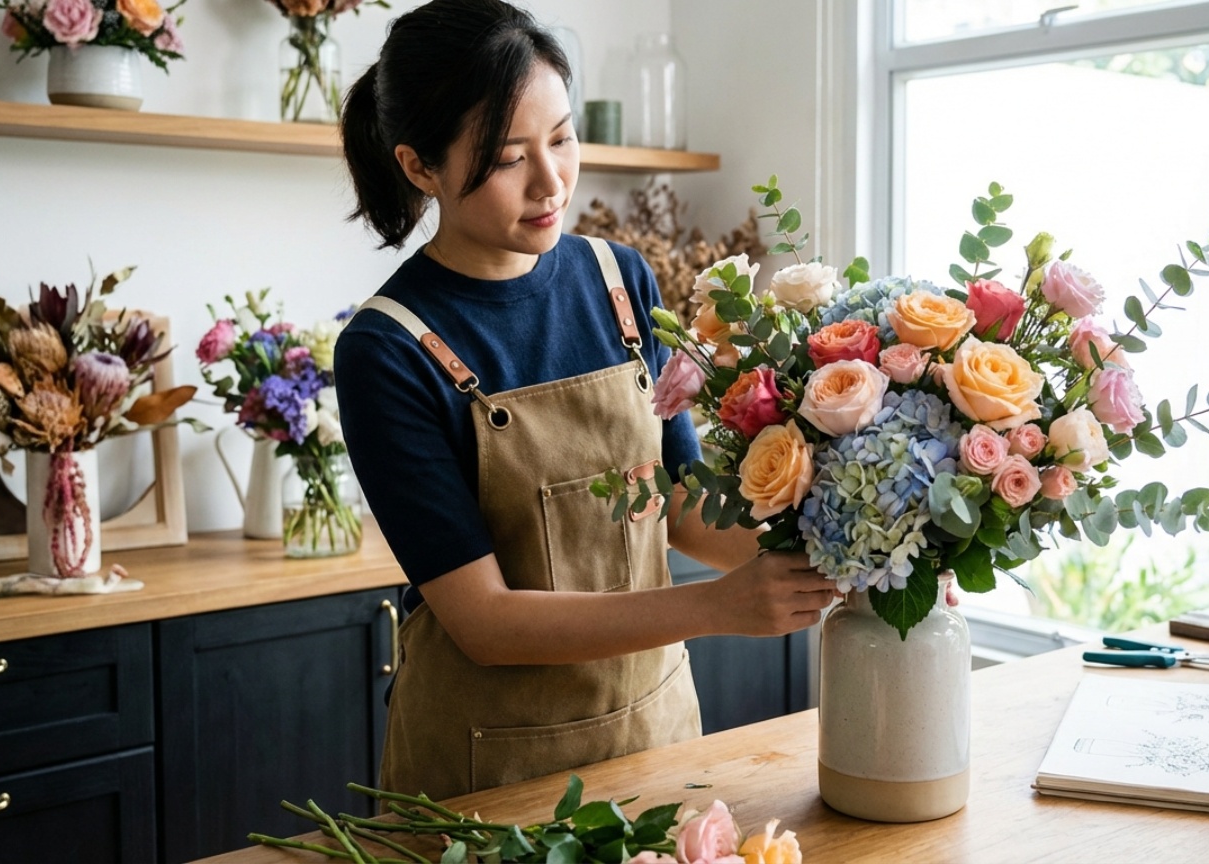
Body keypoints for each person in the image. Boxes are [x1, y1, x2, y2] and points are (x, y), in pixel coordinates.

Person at [334, 0, 837, 800]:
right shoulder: (387, 348)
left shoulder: (620, 280)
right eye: (506, 159)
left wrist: (843, 563)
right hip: (488, 767)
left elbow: (681, 504)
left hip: (653, 730)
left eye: (562, 138)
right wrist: (717, 607)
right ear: (419, 166)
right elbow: (485, 621)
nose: (551, 181)